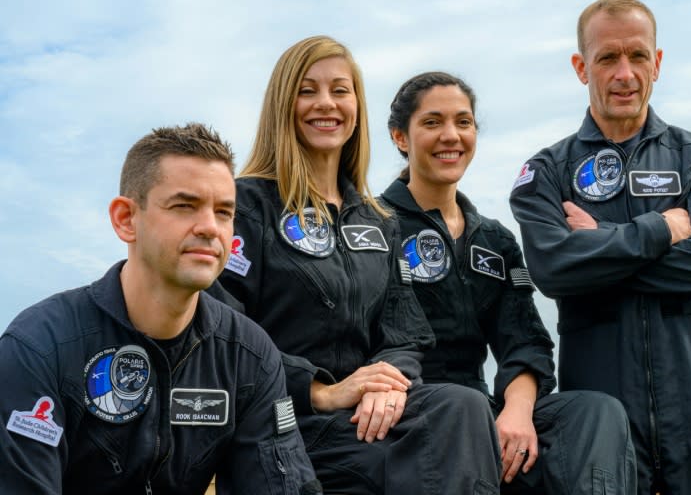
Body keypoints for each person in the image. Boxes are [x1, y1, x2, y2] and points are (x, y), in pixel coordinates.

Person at [213, 36, 501, 494]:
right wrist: (320, 390)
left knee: (464, 406)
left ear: (357, 106)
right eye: (307, 91)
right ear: (282, 105)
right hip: (284, 422)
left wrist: (387, 383)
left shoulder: (379, 222)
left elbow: (405, 334)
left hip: (363, 421)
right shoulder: (244, 205)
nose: (325, 103)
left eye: (340, 90)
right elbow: (221, 329)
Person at [509, 0, 691, 494]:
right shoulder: (547, 173)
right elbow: (554, 270)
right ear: (582, 67)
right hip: (603, 420)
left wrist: (599, 243)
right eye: (607, 58)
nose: (625, 73)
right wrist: (660, 231)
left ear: (657, 63)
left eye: (638, 56)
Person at [0, 124, 321, 494]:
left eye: (223, 212)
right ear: (125, 219)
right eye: (184, 206)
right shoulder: (38, 346)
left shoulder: (250, 356)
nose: (209, 228)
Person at [381, 71, 637, 494]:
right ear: (400, 138)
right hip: (408, 413)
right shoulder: (372, 226)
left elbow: (524, 342)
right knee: (459, 412)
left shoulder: (495, 240)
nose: (451, 136)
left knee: (596, 412)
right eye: (432, 122)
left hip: (481, 409)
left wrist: (516, 414)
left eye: (463, 122)